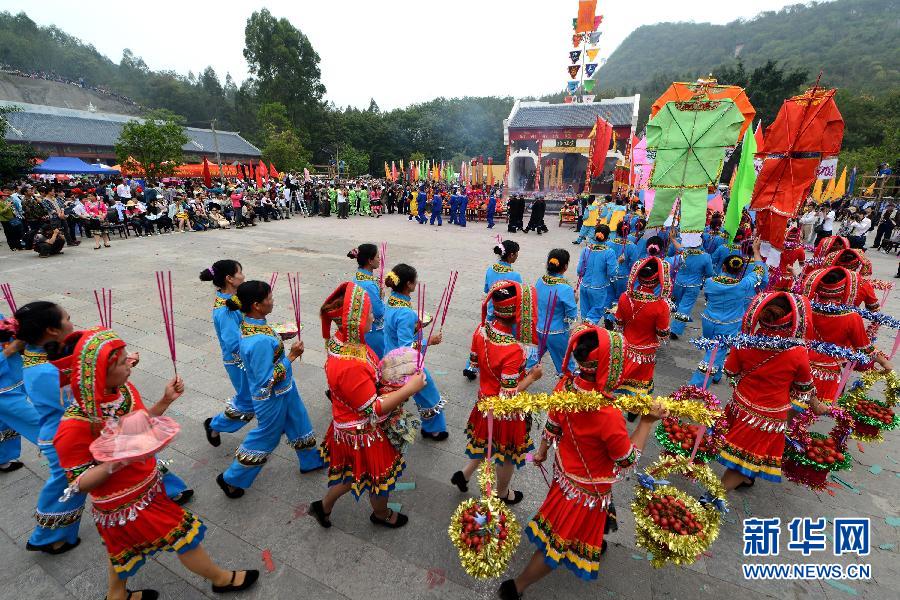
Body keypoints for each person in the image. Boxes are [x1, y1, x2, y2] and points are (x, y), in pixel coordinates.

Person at [54, 328, 259, 599]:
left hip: (148, 486)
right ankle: (220, 579)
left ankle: (116, 596)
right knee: (183, 537)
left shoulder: (122, 392)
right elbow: (77, 484)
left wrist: (164, 401)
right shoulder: (74, 427)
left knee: (121, 549)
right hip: (125, 504)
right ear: (101, 373)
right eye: (122, 362)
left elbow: (141, 424)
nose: (130, 364)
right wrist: (117, 460)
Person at [498, 325, 666, 598]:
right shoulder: (607, 414)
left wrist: (541, 450)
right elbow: (626, 460)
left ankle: (597, 536)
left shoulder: (566, 384)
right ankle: (516, 586)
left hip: (564, 471)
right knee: (557, 545)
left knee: (566, 527)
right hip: (584, 489)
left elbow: (553, 422)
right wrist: (647, 423)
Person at [309, 282, 427, 530]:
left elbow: (369, 382)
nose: (374, 316)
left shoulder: (346, 343)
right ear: (353, 321)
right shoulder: (350, 364)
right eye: (368, 313)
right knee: (379, 478)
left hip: (348, 424)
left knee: (353, 473)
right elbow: (373, 408)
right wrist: (409, 389)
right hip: (362, 433)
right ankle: (381, 514)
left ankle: (323, 506)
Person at [215, 281, 324, 498]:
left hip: (286, 389)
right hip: (270, 397)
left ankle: (310, 460)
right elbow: (266, 381)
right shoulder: (258, 341)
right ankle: (231, 478)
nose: (272, 301)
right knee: (267, 436)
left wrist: (280, 339)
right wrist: (291, 356)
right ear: (256, 304)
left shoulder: (252, 324)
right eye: (269, 298)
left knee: (299, 420)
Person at [715, 293, 819, 492]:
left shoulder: (744, 341)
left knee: (741, 451)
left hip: (741, 403)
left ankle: (743, 480)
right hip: (769, 416)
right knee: (748, 458)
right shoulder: (797, 351)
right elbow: (804, 387)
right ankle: (711, 498)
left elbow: (730, 371)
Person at [451, 280, 543, 505]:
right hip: (504, 413)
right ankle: (502, 493)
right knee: (507, 455)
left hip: (483, 403)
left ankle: (464, 474)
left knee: (485, 442)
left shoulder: (481, 330)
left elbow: (475, 362)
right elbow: (508, 394)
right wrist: (531, 377)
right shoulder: (512, 349)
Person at [799, 267, 892, 412]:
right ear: (844, 290)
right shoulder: (851, 317)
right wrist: (884, 362)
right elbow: (865, 348)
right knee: (808, 417)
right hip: (827, 374)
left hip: (800, 367)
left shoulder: (804, 310)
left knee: (796, 412)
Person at [688, 241, 766, 389]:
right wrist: (756, 251)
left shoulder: (710, 282)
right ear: (740, 270)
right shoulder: (743, 285)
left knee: (714, 349)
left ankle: (716, 375)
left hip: (709, 321)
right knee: (714, 355)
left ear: (723, 267)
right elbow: (759, 272)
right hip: (728, 325)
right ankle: (697, 387)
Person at [383, 264, 449, 440]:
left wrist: (415, 326)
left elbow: (394, 329)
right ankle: (433, 429)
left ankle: (429, 426)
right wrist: (430, 341)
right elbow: (407, 347)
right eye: (415, 281)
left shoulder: (391, 301)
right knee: (429, 393)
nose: (416, 284)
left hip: (388, 354)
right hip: (404, 362)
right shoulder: (406, 312)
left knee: (420, 392)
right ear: (409, 285)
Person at [199, 261, 257, 447]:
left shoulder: (233, 298)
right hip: (239, 361)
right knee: (247, 402)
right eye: (240, 272)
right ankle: (215, 424)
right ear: (229, 279)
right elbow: (233, 343)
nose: (243, 276)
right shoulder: (224, 309)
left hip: (248, 357)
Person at [613, 256, 672, 402]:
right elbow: (662, 333)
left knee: (621, 378)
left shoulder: (624, 297)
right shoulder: (660, 305)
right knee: (639, 385)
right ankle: (634, 410)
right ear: (658, 280)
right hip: (644, 352)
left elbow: (618, 323)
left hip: (625, 346)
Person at [463, 240, 524, 380]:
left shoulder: (490, 269)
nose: (517, 257)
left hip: (490, 311)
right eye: (516, 254)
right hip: (505, 313)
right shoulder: (515, 276)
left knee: (482, 336)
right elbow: (518, 297)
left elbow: (486, 289)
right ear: (511, 255)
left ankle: (471, 366)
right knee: (512, 338)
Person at [533, 249, 578, 375]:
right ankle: (566, 390)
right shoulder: (565, 288)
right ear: (565, 267)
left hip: (538, 328)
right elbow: (571, 315)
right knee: (566, 365)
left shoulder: (540, 281)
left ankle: (515, 381)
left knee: (532, 359)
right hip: (557, 333)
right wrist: (575, 300)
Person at [666, 231, 713, 340]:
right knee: (685, 307)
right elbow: (709, 273)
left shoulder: (684, 252)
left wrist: (673, 239)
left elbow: (679, 247)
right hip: (693, 285)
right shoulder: (706, 257)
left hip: (678, 283)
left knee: (676, 304)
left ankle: (665, 323)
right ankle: (675, 329)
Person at [350, 243, 387, 358]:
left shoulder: (358, 276)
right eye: (377, 257)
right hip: (372, 332)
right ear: (370, 261)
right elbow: (379, 312)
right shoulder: (368, 284)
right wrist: (381, 299)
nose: (379, 259)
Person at [576, 225, 618, 324]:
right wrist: (618, 264)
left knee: (585, 313)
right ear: (608, 237)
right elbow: (612, 272)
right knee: (594, 314)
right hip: (599, 288)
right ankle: (588, 332)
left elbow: (579, 270)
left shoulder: (586, 250)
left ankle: (583, 332)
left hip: (584, 285)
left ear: (595, 235)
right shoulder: (609, 252)